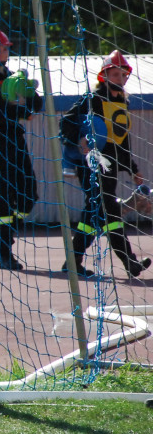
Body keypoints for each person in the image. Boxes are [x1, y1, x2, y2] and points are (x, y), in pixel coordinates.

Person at [60, 49, 150, 278]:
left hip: (109, 167)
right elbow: (66, 123)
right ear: (104, 76)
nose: (121, 79)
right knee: (110, 213)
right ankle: (130, 263)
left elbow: (121, 141)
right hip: (91, 166)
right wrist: (79, 141)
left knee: (93, 215)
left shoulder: (122, 102)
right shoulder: (93, 99)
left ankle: (72, 262)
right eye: (116, 74)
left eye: (124, 75)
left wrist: (133, 170)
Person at [0, 27, 42, 270]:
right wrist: (22, 112)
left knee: (29, 194)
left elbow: (36, 103)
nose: (3, 52)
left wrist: (29, 92)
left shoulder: (14, 76)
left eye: (5, 48)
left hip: (16, 140)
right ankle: (4, 252)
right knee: (4, 200)